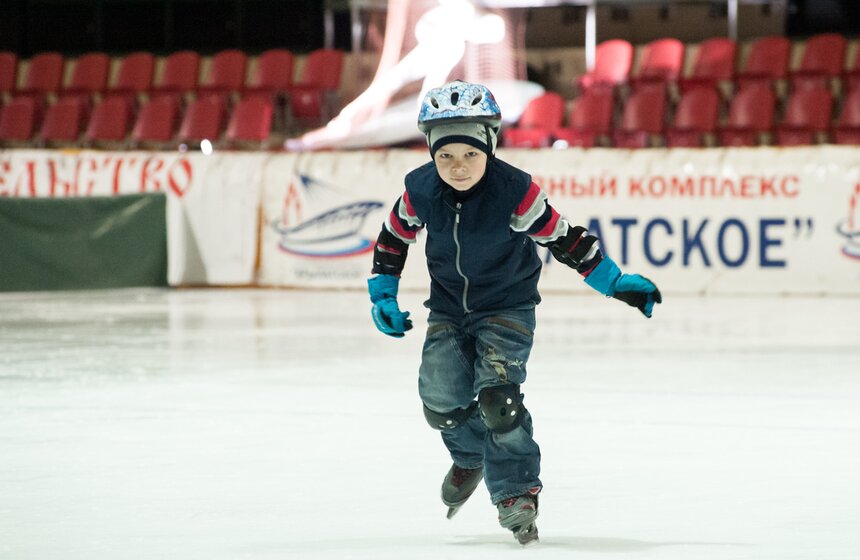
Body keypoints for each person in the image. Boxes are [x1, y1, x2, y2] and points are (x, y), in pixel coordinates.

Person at [366, 80, 662, 545]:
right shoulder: (420, 190)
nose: (457, 167)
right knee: (440, 405)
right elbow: (393, 236)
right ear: (429, 152)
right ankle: (470, 458)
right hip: (447, 308)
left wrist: (612, 280)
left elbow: (564, 238)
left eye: (469, 154)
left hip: (507, 307)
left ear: (489, 144)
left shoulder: (514, 192)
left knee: (497, 402)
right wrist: (383, 291)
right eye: (445, 156)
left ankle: (516, 491)